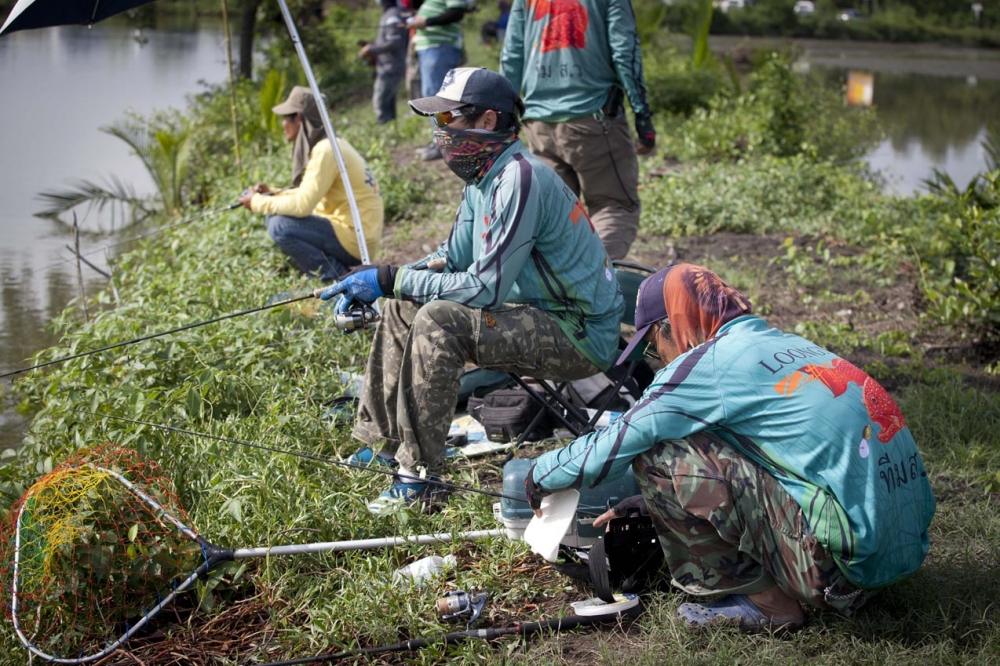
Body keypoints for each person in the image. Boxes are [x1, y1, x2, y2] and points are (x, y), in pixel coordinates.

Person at [525, 263, 935, 631]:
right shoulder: (784, 343)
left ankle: (770, 605)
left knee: (659, 453)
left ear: (674, 324)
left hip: (842, 567)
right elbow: (776, 461)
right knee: (706, 438)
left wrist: (539, 473)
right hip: (901, 551)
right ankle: (839, 578)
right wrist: (651, 505)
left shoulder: (706, 363)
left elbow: (616, 443)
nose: (659, 359)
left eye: (653, 345)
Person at [319, 67, 625, 515]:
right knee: (405, 307)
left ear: (486, 122)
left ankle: (419, 477)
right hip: (539, 315)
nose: (439, 132)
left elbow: (486, 289)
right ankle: (383, 446)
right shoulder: (484, 180)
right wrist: (386, 280)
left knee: (438, 320)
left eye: (448, 119)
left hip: (579, 333)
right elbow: (453, 255)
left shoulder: (519, 178)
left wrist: (390, 278)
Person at [500, 0, 655, 260]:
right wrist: (643, 118)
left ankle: (558, 292)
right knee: (613, 206)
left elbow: (512, 56)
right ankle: (599, 284)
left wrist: (504, 118)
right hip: (593, 122)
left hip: (538, 126)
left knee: (556, 219)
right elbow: (624, 53)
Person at [240, 87, 384, 282]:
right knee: (273, 216)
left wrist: (257, 202)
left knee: (279, 226)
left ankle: (338, 280)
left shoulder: (326, 150)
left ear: (299, 119)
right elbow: (307, 194)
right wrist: (272, 194)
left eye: (286, 118)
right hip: (357, 235)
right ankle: (332, 274)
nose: (283, 125)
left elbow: (303, 205)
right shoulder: (331, 145)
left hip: (356, 240)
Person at [407, 0, 470, 160]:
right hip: (432, 49)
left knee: (439, 99)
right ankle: (441, 142)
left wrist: (426, 21)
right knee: (435, 97)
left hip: (439, 48)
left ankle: (445, 145)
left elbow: (456, 12)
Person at [360, 0, 409, 124]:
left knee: (380, 100)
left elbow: (395, 42)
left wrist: (371, 49)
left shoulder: (392, 15)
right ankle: (392, 126)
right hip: (388, 65)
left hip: (391, 66)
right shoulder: (391, 14)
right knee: (388, 100)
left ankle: (384, 126)